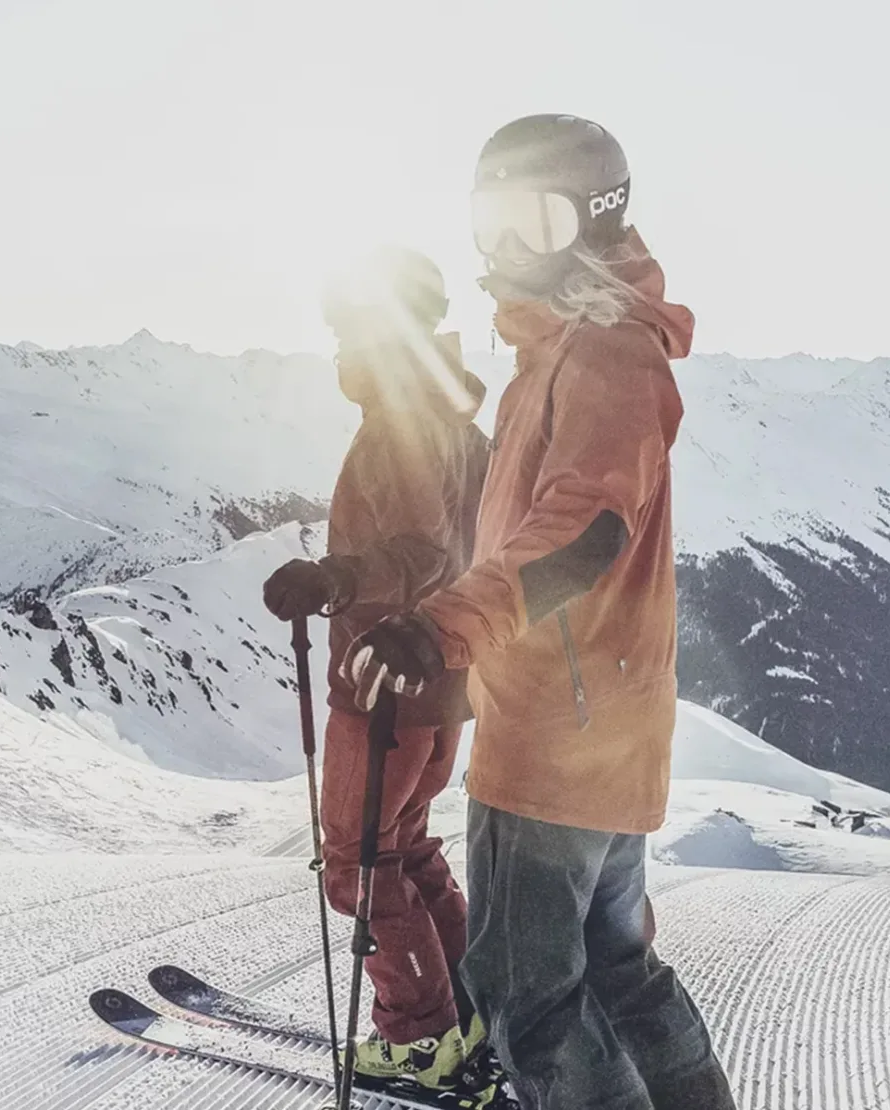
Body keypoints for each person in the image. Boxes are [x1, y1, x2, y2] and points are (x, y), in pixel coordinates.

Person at [340, 116, 737, 1109]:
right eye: (493, 219)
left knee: (530, 1007)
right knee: (617, 970)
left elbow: (583, 530)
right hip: (601, 725)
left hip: (557, 742)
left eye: (537, 220)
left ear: (592, 226)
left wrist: (443, 627)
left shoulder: (600, 352)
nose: (506, 246)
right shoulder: (576, 345)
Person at [261, 246, 493, 1093]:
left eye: (347, 327)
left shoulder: (403, 417)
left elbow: (424, 553)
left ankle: (419, 1040)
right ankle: (468, 1006)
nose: (335, 348)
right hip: (443, 686)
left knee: (357, 866)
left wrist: (337, 579)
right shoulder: (457, 422)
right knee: (405, 849)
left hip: (384, 686)